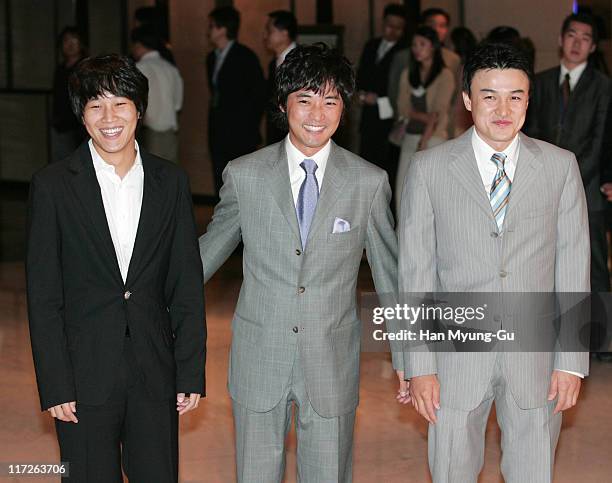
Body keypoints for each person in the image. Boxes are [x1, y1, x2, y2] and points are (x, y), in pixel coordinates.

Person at [199, 43, 400, 482]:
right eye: (304, 100)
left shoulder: (368, 182)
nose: (316, 114)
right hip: (259, 356)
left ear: (343, 109)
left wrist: (409, 359)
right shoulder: (245, 175)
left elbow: (389, 274)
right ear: (283, 104)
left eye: (330, 101)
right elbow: (206, 254)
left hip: (331, 361)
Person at [398, 42, 589, 482]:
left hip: (537, 358)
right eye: (489, 96)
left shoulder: (560, 167)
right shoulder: (429, 169)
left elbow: (575, 264)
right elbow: (415, 272)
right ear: (467, 100)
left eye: (515, 96)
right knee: (451, 471)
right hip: (453, 358)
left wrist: (571, 360)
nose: (502, 109)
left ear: (528, 99)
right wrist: (419, 365)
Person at [26, 54, 206, 482]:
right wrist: (55, 383)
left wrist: (190, 369)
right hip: (83, 374)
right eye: (95, 106)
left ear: (139, 110)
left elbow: (185, 283)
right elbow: (44, 294)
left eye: (120, 103)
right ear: (81, 116)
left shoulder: (172, 182)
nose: (109, 117)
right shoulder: (53, 186)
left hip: (155, 371)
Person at [525, 13, 611, 316]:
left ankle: (601, 338)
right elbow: (531, 132)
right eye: (572, 35)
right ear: (561, 39)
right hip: (543, 187)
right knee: (547, 264)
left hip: (587, 189)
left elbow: (599, 141)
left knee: (594, 265)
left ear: (593, 47)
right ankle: (556, 332)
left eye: (585, 38)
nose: (577, 43)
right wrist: (546, 177)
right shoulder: (541, 81)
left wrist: (567, 179)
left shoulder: (603, 86)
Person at [206, 6, 266, 195]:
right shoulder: (211, 58)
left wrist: (248, 126)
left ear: (223, 29)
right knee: (220, 177)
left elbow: (258, 96)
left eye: (212, 26)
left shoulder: (245, 57)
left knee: (241, 182)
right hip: (218, 127)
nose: (208, 31)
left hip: (240, 132)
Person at [394, 26, 454, 214]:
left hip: (434, 138)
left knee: (433, 192)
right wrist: (424, 117)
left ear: (433, 47)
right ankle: (403, 236)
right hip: (410, 135)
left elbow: (439, 112)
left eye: (422, 44)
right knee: (403, 189)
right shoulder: (408, 73)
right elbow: (402, 107)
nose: (417, 49)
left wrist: (424, 140)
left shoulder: (445, 75)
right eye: (414, 45)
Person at [356, 3, 406, 181]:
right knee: (365, 159)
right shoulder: (372, 45)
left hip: (389, 114)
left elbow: (400, 90)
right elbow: (362, 73)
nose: (393, 31)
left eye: (398, 28)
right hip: (368, 114)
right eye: (390, 26)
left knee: (384, 166)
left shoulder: (404, 52)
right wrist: (361, 93)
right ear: (383, 23)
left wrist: (377, 100)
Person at [131, 25, 183, 164]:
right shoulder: (171, 68)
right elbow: (178, 104)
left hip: (148, 131)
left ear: (138, 45)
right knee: (170, 174)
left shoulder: (138, 68)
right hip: (171, 131)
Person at [50, 27, 87, 162]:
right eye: (66, 40)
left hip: (79, 126)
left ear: (81, 43)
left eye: (74, 40)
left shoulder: (85, 67)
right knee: (61, 162)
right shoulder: (60, 68)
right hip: (60, 123)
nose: (70, 44)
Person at [263, 10, 297, 145]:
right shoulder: (273, 63)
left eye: (269, 31)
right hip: (276, 136)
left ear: (284, 33)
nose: (265, 36)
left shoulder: (302, 60)